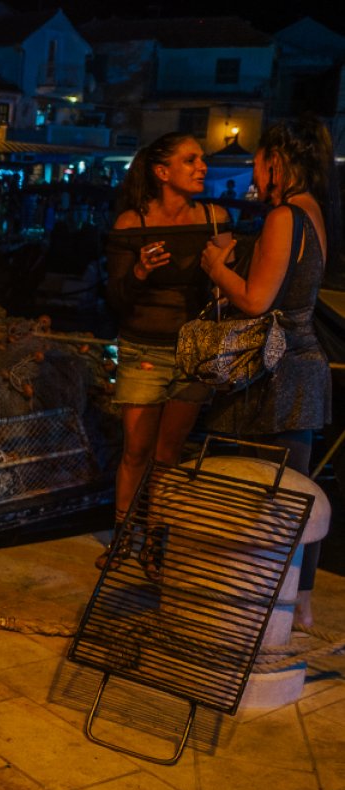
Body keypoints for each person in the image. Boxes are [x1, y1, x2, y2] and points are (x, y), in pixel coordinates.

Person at [200, 116, 337, 626]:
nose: (254, 172)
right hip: (301, 366)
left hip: (276, 371)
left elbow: (257, 301)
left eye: (258, 160)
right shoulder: (314, 211)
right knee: (295, 488)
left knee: (264, 490)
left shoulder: (284, 216)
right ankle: (298, 600)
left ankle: (256, 602)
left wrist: (217, 268)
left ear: (276, 160)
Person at [101, 132, 228, 571]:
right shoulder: (131, 223)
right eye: (190, 160)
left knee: (167, 455)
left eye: (202, 160)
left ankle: (155, 542)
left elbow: (226, 289)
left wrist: (221, 274)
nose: (202, 167)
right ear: (162, 171)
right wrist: (139, 270)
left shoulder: (215, 218)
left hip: (193, 354)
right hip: (143, 350)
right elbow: (116, 298)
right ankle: (122, 537)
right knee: (135, 451)